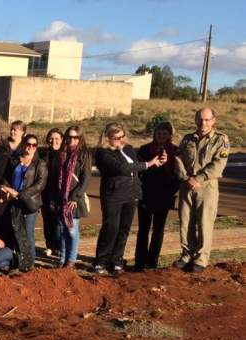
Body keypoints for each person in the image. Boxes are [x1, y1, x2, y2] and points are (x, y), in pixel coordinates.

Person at [94, 122, 167, 275]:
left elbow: (137, 166)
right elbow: (122, 168)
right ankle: (101, 261)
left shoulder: (128, 148)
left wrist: (157, 162)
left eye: (122, 136)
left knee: (124, 229)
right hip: (113, 195)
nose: (121, 140)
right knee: (111, 228)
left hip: (131, 194)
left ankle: (116, 261)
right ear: (107, 138)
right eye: (116, 138)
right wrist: (148, 164)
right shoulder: (102, 152)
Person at [174, 108, 229, 273]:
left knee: (204, 223)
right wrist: (186, 178)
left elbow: (218, 164)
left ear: (214, 120)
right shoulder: (187, 139)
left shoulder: (221, 139)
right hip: (186, 185)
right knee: (185, 222)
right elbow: (178, 158)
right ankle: (187, 254)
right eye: (199, 119)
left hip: (207, 186)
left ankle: (201, 258)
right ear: (195, 120)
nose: (202, 123)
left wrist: (197, 179)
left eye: (206, 120)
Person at [134, 121, 178, 271]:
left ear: (170, 135)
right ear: (154, 134)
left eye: (165, 134)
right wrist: (151, 164)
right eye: (159, 133)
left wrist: (171, 191)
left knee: (158, 230)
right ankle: (139, 262)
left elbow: (178, 175)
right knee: (143, 230)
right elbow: (138, 171)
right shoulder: (145, 149)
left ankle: (152, 262)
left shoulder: (176, 151)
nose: (161, 136)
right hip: (146, 195)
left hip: (164, 196)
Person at [0, 134, 47, 269]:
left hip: (30, 203)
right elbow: (5, 176)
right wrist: (7, 188)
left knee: (28, 233)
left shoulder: (40, 163)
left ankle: (30, 263)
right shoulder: (14, 160)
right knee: (16, 231)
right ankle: (19, 261)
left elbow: (40, 184)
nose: (30, 147)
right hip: (13, 201)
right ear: (23, 145)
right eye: (28, 144)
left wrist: (20, 194)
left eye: (34, 145)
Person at [47, 126, 92, 268]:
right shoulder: (61, 153)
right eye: (69, 137)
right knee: (63, 229)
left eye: (75, 137)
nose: (72, 140)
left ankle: (71, 260)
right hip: (60, 198)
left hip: (74, 200)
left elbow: (85, 179)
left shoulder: (84, 154)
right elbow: (55, 177)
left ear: (80, 138)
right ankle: (62, 259)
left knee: (72, 230)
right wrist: (54, 198)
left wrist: (74, 197)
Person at [40, 128, 65, 258]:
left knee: (59, 223)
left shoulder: (64, 155)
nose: (54, 141)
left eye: (57, 139)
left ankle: (60, 247)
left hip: (60, 194)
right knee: (47, 221)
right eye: (51, 138)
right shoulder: (44, 154)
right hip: (46, 193)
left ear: (61, 140)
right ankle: (50, 246)